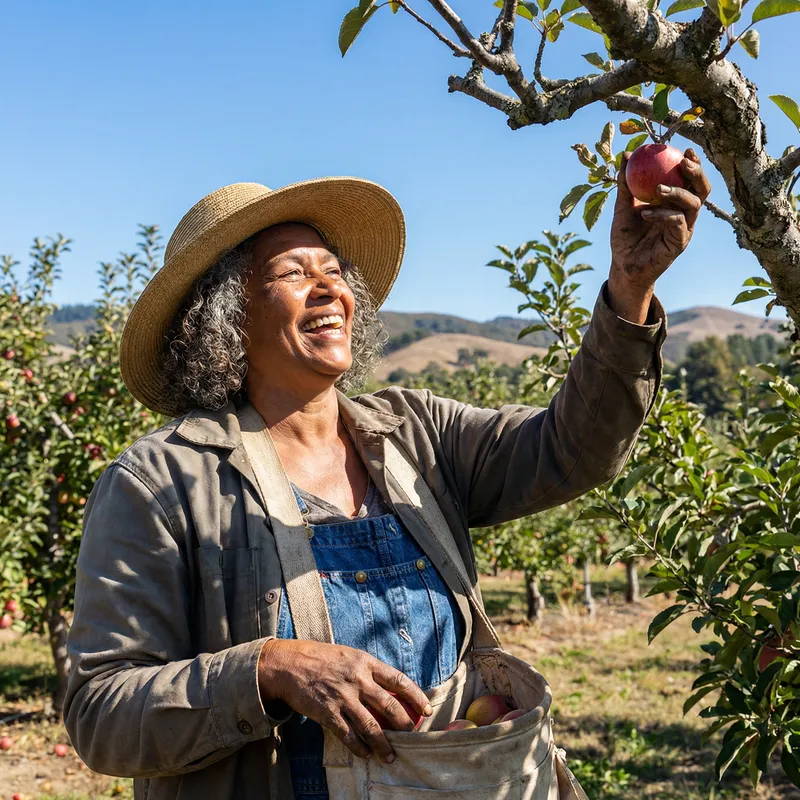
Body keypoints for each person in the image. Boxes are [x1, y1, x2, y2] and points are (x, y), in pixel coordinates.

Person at [64, 154, 711, 800]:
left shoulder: (416, 432)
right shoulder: (164, 481)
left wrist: (629, 288)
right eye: (294, 273)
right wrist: (268, 668)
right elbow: (100, 712)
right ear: (226, 318)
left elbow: (574, 449)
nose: (330, 289)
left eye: (333, 271)